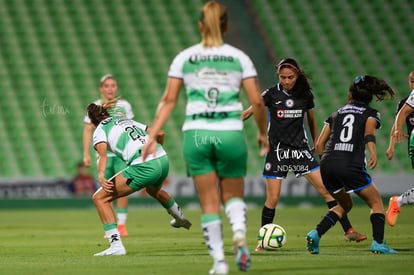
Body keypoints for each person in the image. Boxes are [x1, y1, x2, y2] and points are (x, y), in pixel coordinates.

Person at [141, 1, 268, 274]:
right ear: (226, 26)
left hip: (197, 133)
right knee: (233, 195)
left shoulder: (185, 58)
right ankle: (240, 235)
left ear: (200, 25)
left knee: (209, 201)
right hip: (230, 132)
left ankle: (219, 263)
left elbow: (168, 100)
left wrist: (152, 135)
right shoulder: (239, 58)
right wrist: (261, 134)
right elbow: (257, 102)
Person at [242, 58, 366, 252]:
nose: (286, 81)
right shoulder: (271, 94)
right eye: (282, 77)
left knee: (327, 191)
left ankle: (348, 230)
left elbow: (312, 121)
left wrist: (318, 142)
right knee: (272, 199)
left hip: (300, 151)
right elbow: (250, 111)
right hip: (277, 152)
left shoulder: (305, 95)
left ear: (297, 75)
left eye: (290, 77)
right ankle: (263, 240)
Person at [306, 75, 397, 254]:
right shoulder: (370, 113)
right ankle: (378, 243)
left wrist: (329, 159)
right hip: (349, 164)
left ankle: (316, 233)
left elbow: (318, 145)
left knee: (345, 205)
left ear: (350, 95)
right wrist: (372, 152)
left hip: (327, 165)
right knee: (376, 202)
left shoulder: (336, 113)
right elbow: (368, 133)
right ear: (370, 96)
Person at [87, 103, 191, 256]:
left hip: (144, 164)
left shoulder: (100, 130)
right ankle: (179, 217)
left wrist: (101, 175)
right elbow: (160, 133)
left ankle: (116, 246)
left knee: (100, 198)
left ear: (92, 122)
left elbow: (102, 155)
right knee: (153, 190)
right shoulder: (125, 120)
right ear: (107, 114)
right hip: (162, 159)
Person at [83, 74, 133, 237]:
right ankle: (111, 226)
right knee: (107, 190)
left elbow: (130, 126)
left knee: (123, 189)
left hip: (121, 154)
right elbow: (88, 129)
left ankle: (121, 225)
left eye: (113, 85)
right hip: (104, 154)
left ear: (116, 88)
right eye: (106, 85)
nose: (110, 89)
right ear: (101, 89)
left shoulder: (124, 105)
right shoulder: (96, 106)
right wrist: (86, 154)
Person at [386, 75, 414, 227]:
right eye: (411, 81)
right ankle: (399, 201)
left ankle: (398, 201)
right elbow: (401, 115)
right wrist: (391, 145)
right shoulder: (407, 102)